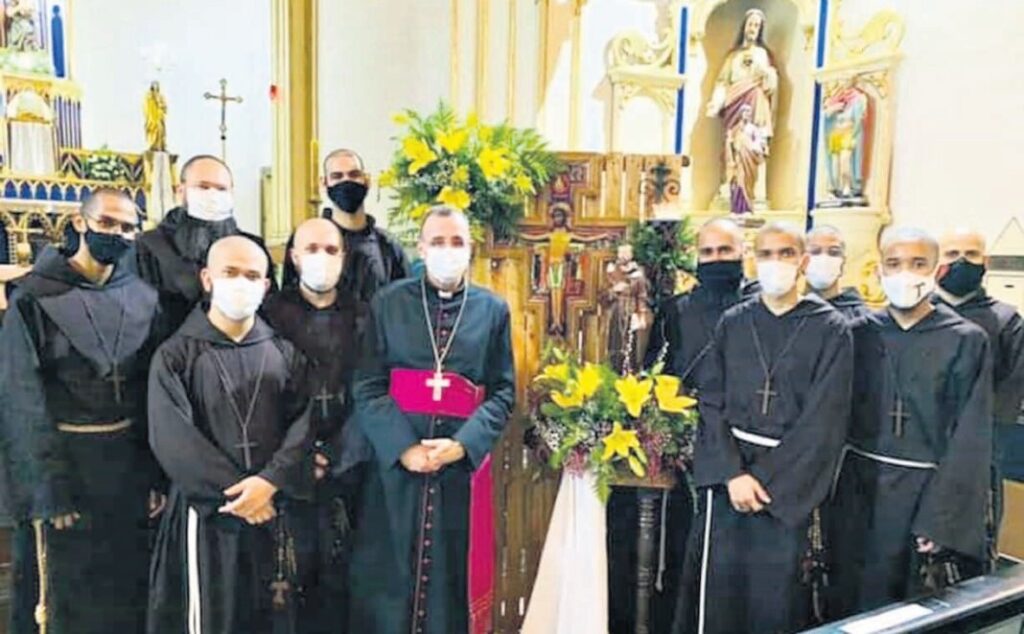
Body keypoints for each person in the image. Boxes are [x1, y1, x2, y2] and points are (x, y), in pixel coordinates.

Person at [0, 189, 165, 633]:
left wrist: (154, 475)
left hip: (126, 470)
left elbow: (151, 394)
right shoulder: (33, 299)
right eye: (107, 223)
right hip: (65, 468)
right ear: (80, 223)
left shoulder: (143, 298)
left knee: (125, 589)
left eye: (128, 227)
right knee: (61, 596)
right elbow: (20, 399)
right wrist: (45, 488)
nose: (118, 234)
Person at [676, 222, 853, 634]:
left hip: (785, 489)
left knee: (772, 602)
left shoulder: (831, 329)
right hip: (729, 480)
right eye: (767, 254)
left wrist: (765, 482)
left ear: (803, 261)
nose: (776, 263)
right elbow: (711, 400)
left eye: (786, 253)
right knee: (718, 595)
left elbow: (824, 420)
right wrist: (732, 473)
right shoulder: (734, 322)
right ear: (754, 262)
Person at [348, 206, 515, 634]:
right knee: (388, 581)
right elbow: (368, 384)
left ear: (471, 249)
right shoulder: (388, 303)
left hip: (458, 472)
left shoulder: (492, 310)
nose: (447, 250)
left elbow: (502, 392)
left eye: (457, 242)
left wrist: (462, 445)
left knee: (448, 583)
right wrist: (403, 447)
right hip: (395, 470)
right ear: (421, 248)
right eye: (437, 241)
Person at [146, 236, 314, 634]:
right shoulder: (176, 355)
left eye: (252, 275)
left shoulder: (284, 353)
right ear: (207, 279)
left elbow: (304, 424)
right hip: (209, 513)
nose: (242, 282)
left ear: (266, 286)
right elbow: (173, 438)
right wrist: (240, 494)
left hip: (272, 508)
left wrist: (270, 481)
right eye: (230, 272)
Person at [830, 227, 992, 618]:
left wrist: (941, 520)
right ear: (879, 271)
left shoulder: (965, 339)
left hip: (922, 495)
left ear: (936, 271)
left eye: (918, 263)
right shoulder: (857, 334)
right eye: (894, 263)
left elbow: (970, 437)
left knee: (904, 608)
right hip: (855, 489)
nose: (905, 273)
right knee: (844, 598)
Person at [606, 218, 750, 634]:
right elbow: (656, 372)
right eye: (707, 252)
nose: (716, 259)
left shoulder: (758, 308)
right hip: (686, 449)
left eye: (725, 251)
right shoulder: (675, 310)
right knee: (681, 551)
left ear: (743, 252)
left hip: (744, 452)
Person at [264, 218, 370, 633]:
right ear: (293, 256)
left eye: (330, 250)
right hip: (289, 468)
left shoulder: (364, 315)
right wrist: (300, 455)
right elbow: (263, 393)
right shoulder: (270, 314)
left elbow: (373, 390)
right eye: (311, 249)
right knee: (292, 585)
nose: (321, 258)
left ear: (344, 257)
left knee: (345, 584)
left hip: (352, 467)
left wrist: (339, 453)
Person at [934, 227, 1024, 566]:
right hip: (923, 449)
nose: (962, 261)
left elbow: (1010, 391)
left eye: (971, 254)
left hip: (979, 454)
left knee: (969, 550)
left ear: (985, 261)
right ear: (937, 262)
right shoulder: (919, 315)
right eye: (952, 254)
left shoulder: (1006, 321)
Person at [135, 154, 275, 334]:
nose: (212, 195)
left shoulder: (252, 247)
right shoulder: (150, 246)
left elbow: (268, 310)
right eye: (203, 186)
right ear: (181, 191)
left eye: (221, 189)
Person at [705, 8, 778, 213]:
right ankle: (731, 186)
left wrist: (767, 74)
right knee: (733, 145)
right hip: (734, 103)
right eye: (750, 24)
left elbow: (770, 84)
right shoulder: (732, 57)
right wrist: (716, 102)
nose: (753, 28)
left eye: (757, 25)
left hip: (756, 101)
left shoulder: (762, 54)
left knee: (754, 145)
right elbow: (722, 82)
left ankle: (754, 192)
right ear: (744, 27)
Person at [320, 148, 409, 300]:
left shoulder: (388, 245)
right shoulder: (311, 242)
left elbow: (405, 301)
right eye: (337, 176)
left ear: (367, 180)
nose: (346, 181)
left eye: (354, 175)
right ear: (324, 183)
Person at [805, 225, 871, 323]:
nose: (824, 260)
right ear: (802, 261)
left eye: (833, 253)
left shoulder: (860, 316)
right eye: (815, 252)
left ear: (843, 263)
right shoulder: (791, 310)